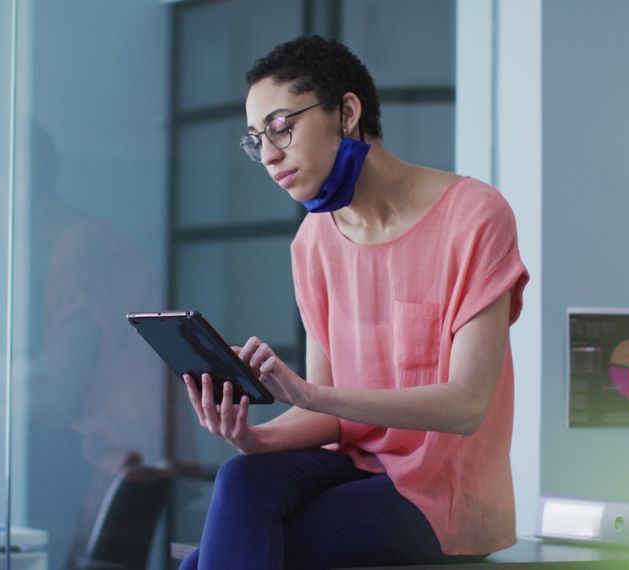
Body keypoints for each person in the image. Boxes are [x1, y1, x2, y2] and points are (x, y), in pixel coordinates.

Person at [180, 35, 529, 570]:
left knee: (204, 561)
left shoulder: (474, 216)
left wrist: (313, 393)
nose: (269, 155)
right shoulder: (313, 242)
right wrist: (254, 437)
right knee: (241, 474)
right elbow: (329, 419)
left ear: (346, 111)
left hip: (444, 495)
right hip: (355, 467)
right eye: (256, 140)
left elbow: (466, 406)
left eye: (280, 127)